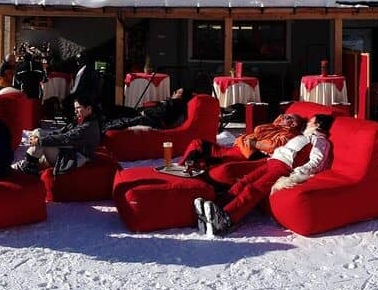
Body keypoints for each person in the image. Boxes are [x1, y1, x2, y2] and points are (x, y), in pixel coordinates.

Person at [195, 114, 335, 236]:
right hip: (272, 162)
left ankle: (227, 218)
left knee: (254, 189)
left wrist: (297, 173)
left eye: (311, 121)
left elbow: (318, 161)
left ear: (318, 124)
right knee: (243, 182)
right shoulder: (303, 136)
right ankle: (216, 208)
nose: (308, 122)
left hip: (284, 167)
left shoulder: (320, 140)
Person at [13, 95, 102, 176]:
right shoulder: (81, 121)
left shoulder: (89, 127)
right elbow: (61, 132)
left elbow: (66, 138)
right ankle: (30, 164)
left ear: (89, 109)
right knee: (38, 131)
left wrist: (40, 140)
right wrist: (43, 137)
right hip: (68, 150)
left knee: (41, 141)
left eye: (78, 108)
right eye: (75, 108)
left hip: (73, 158)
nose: (75, 111)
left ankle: (28, 166)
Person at [180, 113, 306, 167]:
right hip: (236, 148)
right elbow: (267, 127)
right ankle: (180, 168)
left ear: (293, 124)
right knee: (198, 143)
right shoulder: (275, 127)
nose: (282, 117)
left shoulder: (288, 134)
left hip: (243, 155)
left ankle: (184, 171)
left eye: (287, 117)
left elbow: (273, 146)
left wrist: (253, 143)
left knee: (201, 154)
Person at [102, 88, 192, 131]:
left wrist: (144, 112)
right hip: (147, 114)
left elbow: (161, 113)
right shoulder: (171, 102)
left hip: (152, 120)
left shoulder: (175, 104)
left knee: (126, 120)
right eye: (176, 90)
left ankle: (104, 127)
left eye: (179, 92)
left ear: (182, 97)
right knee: (120, 109)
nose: (175, 92)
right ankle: (104, 115)